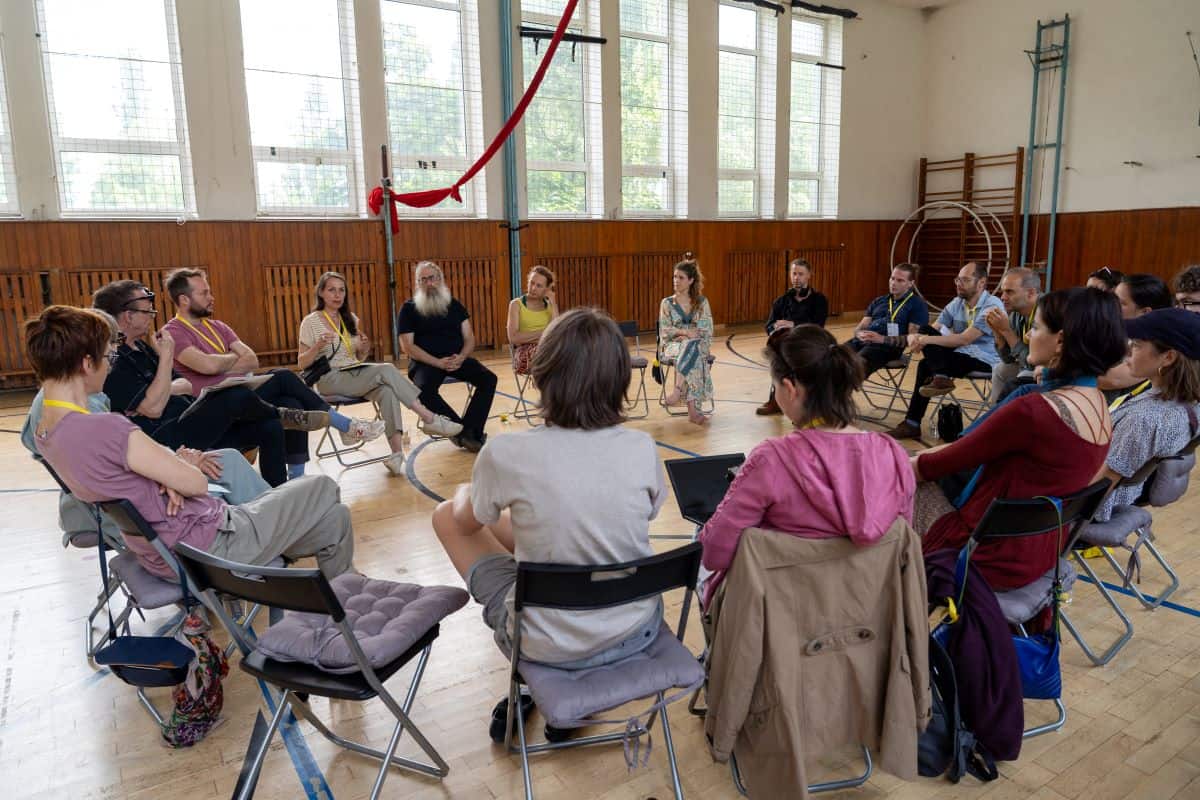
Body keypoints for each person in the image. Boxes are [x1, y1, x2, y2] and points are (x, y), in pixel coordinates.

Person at [431, 308, 665, 741]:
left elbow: (465, 522)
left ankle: (535, 681)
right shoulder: (641, 446)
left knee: (447, 514)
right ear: (620, 378)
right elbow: (643, 515)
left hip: (542, 642)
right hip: (636, 630)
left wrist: (466, 490)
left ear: (542, 373)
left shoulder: (507, 453)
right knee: (559, 530)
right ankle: (565, 691)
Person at [25, 305, 355, 581]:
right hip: (210, 546)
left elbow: (127, 480)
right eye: (108, 356)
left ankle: (345, 595)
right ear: (86, 363)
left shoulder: (46, 434)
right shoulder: (107, 428)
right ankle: (328, 591)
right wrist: (180, 470)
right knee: (324, 486)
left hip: (163, 554)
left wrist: (168, 475)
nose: (110, 365)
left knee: (336, 519)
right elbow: (196, 483)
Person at [910, 287, 1126, 590]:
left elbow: (930, 467)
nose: (1027, 335)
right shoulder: (1099, 404)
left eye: (1035, 327)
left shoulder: (1034, 412)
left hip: (983, 556)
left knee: (896, 484)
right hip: (1040, 553)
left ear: (1060, 341)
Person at [699, 324, 915, 609]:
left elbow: (713, 553)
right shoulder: (893, 454)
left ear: (790, 389)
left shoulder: (772, 459)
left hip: (787, 618)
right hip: (867, 614)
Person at [93, 280, 325, 487]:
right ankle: (282, 413)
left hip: (191, 419)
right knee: (235, 396)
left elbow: (184, 384)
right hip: (166, 438)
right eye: (147, 311)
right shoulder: (113, 360)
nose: (152, 315)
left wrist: (161, 390)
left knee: (270, 426)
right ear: (127, 315)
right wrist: (166, 359)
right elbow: (153, 409)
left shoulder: (143, 347)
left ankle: (278, 493)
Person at [162, 268, 384, 480]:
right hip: (213, 408)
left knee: (292, 402)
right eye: (204, 293)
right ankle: (345, 425)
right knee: (283, 376)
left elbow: (251, 360)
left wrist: (220, 362)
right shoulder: (173, 332)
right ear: (184, 300)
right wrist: (232, 358)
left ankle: (295, 479)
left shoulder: (218, 326)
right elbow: (207, 366)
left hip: (245, 396)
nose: (211, 297)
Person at [299, 270, 461, 475]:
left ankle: (396, 455)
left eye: (341, 290)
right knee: (386, 369)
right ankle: (429, 418)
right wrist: (318, 346)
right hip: (329, 378)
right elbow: (302, 362)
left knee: (387, 391)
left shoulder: (350, 319)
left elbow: (357, 359)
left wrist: (363, 348)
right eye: (332, 290)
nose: (338, 295)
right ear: (321, 292)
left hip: (353, 373)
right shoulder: (310, 322)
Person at [1095, 308, 1200, 521]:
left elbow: (1097, 489)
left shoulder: (1144, 420)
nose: (1127, 351)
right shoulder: (1187, 404)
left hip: (1093, 510)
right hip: (1120, 494)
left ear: (1168, 357)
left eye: (1136, 344)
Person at [885, 261, 1005, 440]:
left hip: (985, 359)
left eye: (965, 280)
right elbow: (934, 328)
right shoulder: (957, 303)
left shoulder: (992, 305)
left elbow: (964, 339)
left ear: (981, 283)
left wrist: (924, 340)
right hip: (959, 354)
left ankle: (913, 421)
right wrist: (917, 338)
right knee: (925, 331)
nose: (959, 284)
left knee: (926, 364)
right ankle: (939, 379)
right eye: (958, 279)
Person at [397, 261, 496, 453]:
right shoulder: (408, 309)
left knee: (488, 379)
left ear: (440, 279)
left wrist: (462, 357)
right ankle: (461, 432)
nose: (428, 283)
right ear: (417, 283)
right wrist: (437, 362)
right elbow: (408, 346)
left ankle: (470, 431)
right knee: (423, 390)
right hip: (426, 362)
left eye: (432, 278)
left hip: (456, 359)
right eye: (423, 280)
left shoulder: (454, 305)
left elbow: (469, 338)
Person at [755, 259, 828, 415]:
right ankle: (776, 400)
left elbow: (818, 325)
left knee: (797, 362)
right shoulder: (781, 301)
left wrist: (793, 324)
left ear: (809, 275)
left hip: (809, 344)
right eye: (794, 273)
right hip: (786, 345)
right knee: (778, 359)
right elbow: (768, 325)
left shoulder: (819, 300)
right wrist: (775, 329)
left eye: (800, 274)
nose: (796, 277)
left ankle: (804, 406)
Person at [1100, 273, 1174, 403]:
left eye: (1120, 303)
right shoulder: (1117, 330)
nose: (1111, 306)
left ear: (1145, 312)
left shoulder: (1159, 341)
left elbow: (1112, 380)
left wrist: (1065, 370)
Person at [845, 262, 928, 377]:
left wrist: (881, 339)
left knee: (856, 365)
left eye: (900, 280)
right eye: (892, 278)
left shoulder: (917, 305)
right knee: (832, 357)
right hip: (862, 341)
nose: (894, 283)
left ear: (911, 283)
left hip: (886, 347)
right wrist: (859, 334)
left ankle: (840, 387)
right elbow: (860, 328)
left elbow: (913, 339)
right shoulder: (879, 301)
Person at [659, 255, 714, 426]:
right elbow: (665, 331)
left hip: (697, 345)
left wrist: (690, 337)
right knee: (690, 351)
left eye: (681, 277)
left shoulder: (702, 303)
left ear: (691, 281)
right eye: (674, 277)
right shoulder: (667, 303)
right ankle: (693, 410)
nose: (676, 280)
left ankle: (677, 391)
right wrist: (685, 332)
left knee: (691, 348)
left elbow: (706, 330)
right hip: (672, 346)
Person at [985, 267, 1041, 404]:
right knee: (1000, 370)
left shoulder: (1047, 312)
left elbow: (1032, 364)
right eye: (1003, 291)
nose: (1002, 297)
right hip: (1028, 366)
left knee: (1023, 375)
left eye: (1009, 292)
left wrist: (1007, 331)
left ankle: (1002, 415)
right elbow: (1008, 359)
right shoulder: (1016, 313)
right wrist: (997, 332)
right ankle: (995, 412)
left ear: (1030, 293)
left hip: (1048, 371)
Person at [506, 265, 558, 375]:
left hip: (548, 349)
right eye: (531, 283)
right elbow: (514, 338)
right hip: (524, 353)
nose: (533, 288)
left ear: (547, 289)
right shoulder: (516, 305)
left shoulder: (550, 306)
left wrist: (553, 302)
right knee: (550, 357)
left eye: (539, 285)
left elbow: (556, 332)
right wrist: (545, 333)